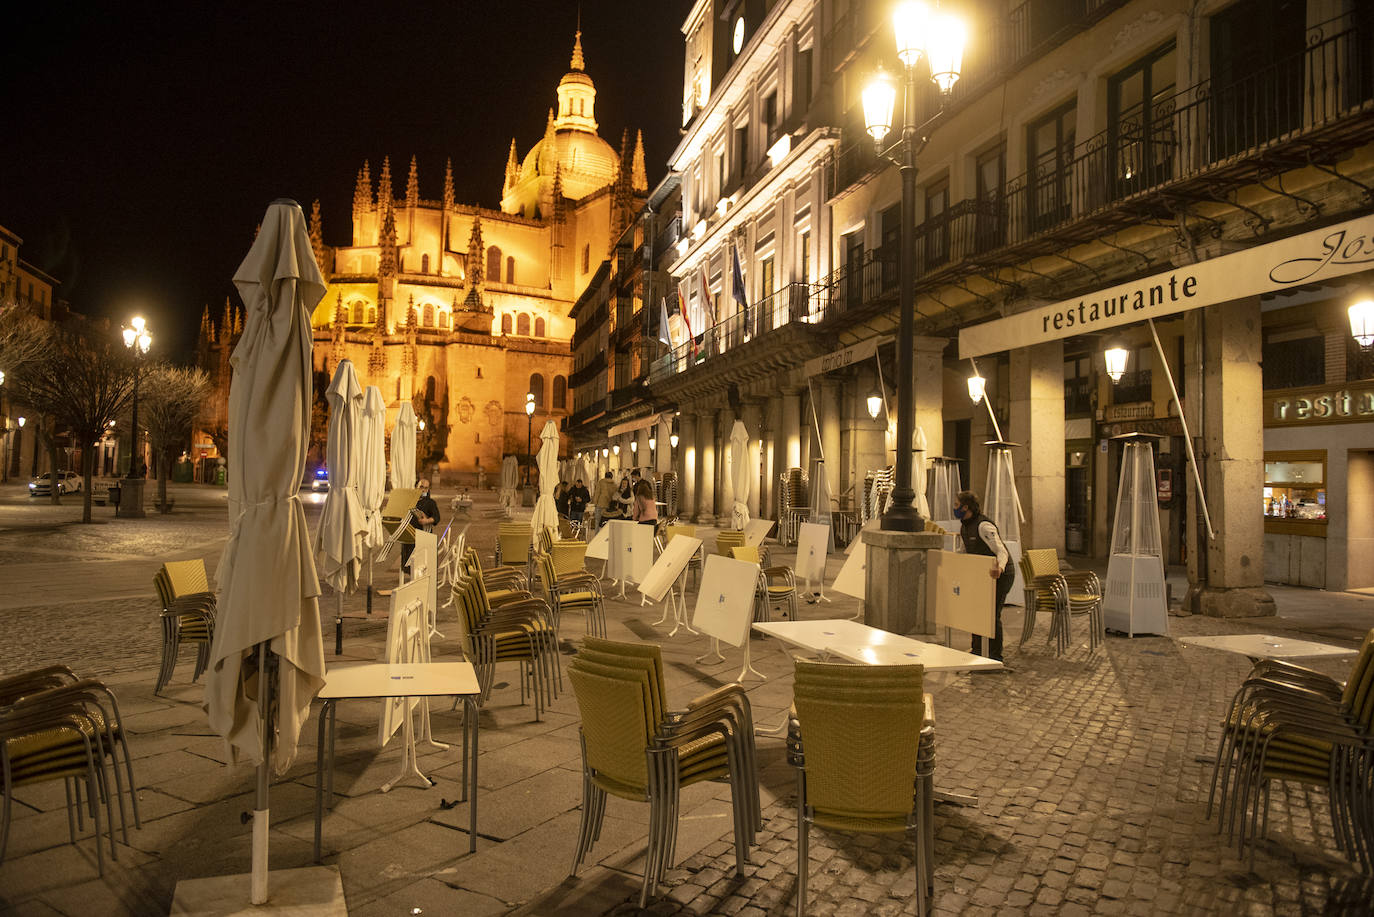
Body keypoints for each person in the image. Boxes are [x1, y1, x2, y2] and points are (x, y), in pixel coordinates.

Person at [954, 489, 1015, 663]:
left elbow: (1001, 551)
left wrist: (1000, 568)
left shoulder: (983, 526)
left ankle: (995, 657)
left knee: (991, 614)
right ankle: (978, 650)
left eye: (957, 505)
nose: (954, 508)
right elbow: (965, 550)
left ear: (966, 507)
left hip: (1001, 574)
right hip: (982, 576)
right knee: (977, 612)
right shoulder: (964, 526)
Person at [401, 478, 441, 571]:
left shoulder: (430, 503)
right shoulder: (409, 501)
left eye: (426, 488)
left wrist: (426, 521)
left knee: (421, 565)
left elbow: (436, 517)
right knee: (408, 564)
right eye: (421, 487)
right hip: (409, 537)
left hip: (423, 537)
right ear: (416, 487)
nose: (423, 490)